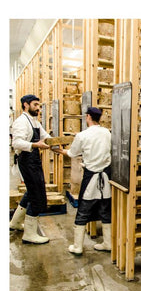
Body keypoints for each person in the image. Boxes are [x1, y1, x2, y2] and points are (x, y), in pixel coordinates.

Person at [53, 107, 112, 255]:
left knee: (83, 210)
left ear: (88, 117)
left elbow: (73, 153)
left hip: (91, 176)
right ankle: (108, 243)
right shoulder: (107, 133)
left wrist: (60, 151)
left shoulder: (82, 135)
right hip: (105, 175)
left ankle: (78, 247)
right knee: (105, 209)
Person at [9, 94, 51, 244]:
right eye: (35, 105)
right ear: (26, 105)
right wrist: (34, 145)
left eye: (39, 105)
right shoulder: (21, 122)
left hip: (34, 160)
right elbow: (17, 143)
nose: (38, 108)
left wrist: (56, 144)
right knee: (37, 195)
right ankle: (30, 234)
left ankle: (14, 223)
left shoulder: (34, 121)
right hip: (27, 161)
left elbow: (45, 136)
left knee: (31, 190)